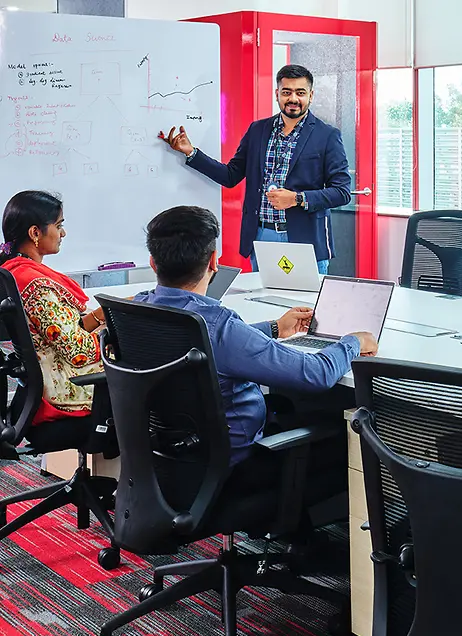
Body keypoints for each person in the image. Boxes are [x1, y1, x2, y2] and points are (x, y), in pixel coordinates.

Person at [133, 206, 377, 490]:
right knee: (337, 434)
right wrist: (353, 342)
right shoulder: (217, 325)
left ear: (153, 262)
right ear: (214, 261)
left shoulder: (139, 309)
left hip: (172, 455)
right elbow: (316, 374)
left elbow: (222, 343)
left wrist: (275, 328)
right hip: (233, 465)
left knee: (287, 407)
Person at [161, 64, 351, 275]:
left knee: (306, 306)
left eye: (300, 92)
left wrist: (297, 198)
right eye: (286, 92)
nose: (293, 99)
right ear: (277, 94)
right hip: (262, 235)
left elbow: (342, 192)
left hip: (304, 238)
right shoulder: (258, 130)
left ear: (311, 95)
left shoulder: (327, 136)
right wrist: (191, 152)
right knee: (265, 303)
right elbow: (231, 175)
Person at [0, 191, 104, 425]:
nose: (63, 233)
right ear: (35, 233)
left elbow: (61, 331)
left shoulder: (15, 271)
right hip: (64, 389)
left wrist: (100, 316)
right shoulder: (36, 285)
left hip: (46, 382)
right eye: (59, 225)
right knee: (145, 377)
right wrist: (120, 334)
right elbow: (79, 352)